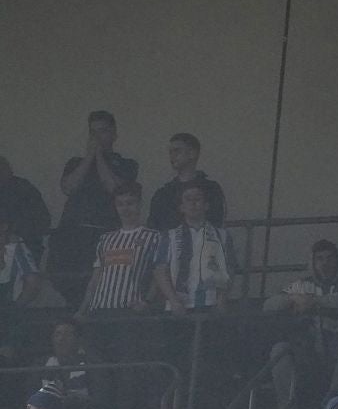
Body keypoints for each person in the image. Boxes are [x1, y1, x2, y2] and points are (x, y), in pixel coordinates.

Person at [263, 239, 338, 409]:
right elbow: (269, 305)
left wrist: (315, 301)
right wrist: (293, 299)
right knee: (279, 350)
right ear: (312, 262)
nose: (324, 263)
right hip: (307, 355)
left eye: (329, 258)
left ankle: (331, 407)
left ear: (337, 260)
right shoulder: (302, 285)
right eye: (319, 259)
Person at [51, 111, 138, 304]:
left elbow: (115, 189)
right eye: (93, 133)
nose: (97, 137)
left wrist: (99, 156)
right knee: (71, 286)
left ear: (114, 134)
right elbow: (69, 187)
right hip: (73, 236)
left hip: (107, 235)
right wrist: (89, 156)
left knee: (107, 284)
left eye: (103, 131)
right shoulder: (75, 163)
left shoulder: (126, 164)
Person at [79, 181, 175, 314]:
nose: (125, 209)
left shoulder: (154, 237)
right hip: (99, 309)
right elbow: (96, 278)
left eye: (130, 203)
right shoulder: (105, 239)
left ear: (139, 204)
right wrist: (82, 310)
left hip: (130, 309)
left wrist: (147, 302)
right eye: (120, 204)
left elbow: (158, 274)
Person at [160, 181, 241, 312]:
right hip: (178, 305)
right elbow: (160, 270)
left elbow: (230, 268)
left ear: (206, 205)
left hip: (211, 302)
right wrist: (172, 300)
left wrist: (222, 297)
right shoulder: (169, 237)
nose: (193, 203)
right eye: (188, 199)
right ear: (181, 207)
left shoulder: (222, 235)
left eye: (197, 199)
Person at [146, 132, 225, 230]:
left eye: (177, 151)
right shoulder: (163, 193)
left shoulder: (211, 189)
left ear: (192, 153)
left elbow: (217, 222)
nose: (172, 156)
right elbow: (153, 226)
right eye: (170, 152)